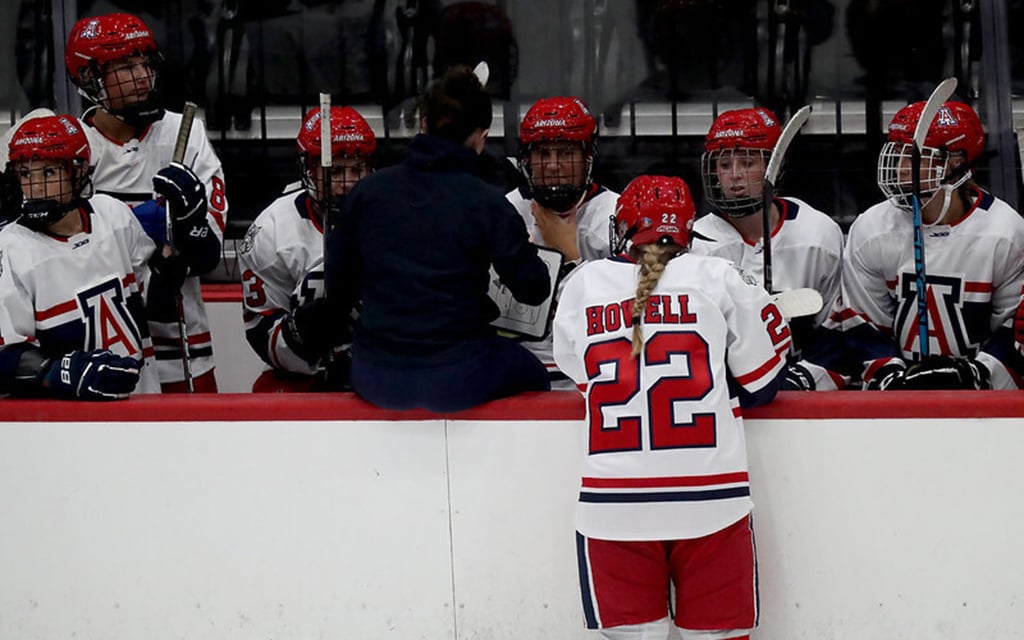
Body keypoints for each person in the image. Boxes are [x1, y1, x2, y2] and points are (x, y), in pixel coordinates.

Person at [552, 174, 789, 640]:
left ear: (622, 229)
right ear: (687, 229)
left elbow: (584, 381)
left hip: (612, 506)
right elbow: (763, 383)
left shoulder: (583, 286)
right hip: (712, 503)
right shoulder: (719, 276)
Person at [323, 64, 552, 412]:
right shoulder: (488, 204)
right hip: (458, 377)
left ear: (423, 123)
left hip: (375, 375)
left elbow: (337, 294)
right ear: (480, 136)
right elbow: (534, 290)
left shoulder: (367, 193)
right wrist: (533, 247)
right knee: (536, 376)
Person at [64, 12, 227, 393]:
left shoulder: (185, 133)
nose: (141, 76)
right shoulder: (71, 151)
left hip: (182, 343)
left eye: (145, 63)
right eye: (124, 66)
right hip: (101, 349)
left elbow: (208, 252)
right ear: (88, 78)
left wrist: (190, 221)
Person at [827, 100, 1024, 390]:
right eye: (899, 156)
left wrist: (975, 374)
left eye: (915, 157)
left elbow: (1014, 331)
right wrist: (888, 376)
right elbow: (864, 325)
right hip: (898, 403)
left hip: (984, 406)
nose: (902, 169)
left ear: (955, 161)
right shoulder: (872, 228)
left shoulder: (1006, 232)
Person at [0, 114, 197, 399]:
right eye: (26, 174)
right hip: (67, 425)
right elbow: (5, 357)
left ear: (78, 173)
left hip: (143, 402)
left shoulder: (111, 214)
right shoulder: (10, 249)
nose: (36, 188)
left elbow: (151, 300)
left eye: (49, 173)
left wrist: (176, 254)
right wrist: (59, 372)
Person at [692, 106, 848, 390]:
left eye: (748, 163)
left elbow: (838, 330)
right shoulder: (695, 244)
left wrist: (806, 377)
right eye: (724, 165)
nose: (735, 176)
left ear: (775, 164)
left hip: (805, 393)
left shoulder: (817, 234)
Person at [238, 106, 375, 392]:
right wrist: (302, 333)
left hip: (382, 367)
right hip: (304, 374)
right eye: (334, 171)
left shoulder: (395, 217)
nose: (347, 184)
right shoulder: (272, 229)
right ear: (309, 170)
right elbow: (262, 334)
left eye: (357, 170)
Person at [506, 95, 617, 388]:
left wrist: (571, 256)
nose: (553, 166)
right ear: (527, 160)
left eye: (566, 153)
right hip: (519, 376)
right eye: (543, 154)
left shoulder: (617, 216)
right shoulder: (503, 212)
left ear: (588, 157)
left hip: (598, 377)